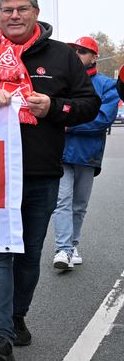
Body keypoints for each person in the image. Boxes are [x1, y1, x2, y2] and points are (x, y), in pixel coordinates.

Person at [0, 0, 100, 361]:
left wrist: (54, 106)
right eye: (6, 10)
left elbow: (89, 105)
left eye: (21, 9)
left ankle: (17, 318)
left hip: (42, 171)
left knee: (29, 254)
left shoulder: (62, 56)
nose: (13, 16)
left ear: (35, 11)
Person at [51, 37, 118, 270]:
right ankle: (63, 249)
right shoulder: (62, 81)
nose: (77, 54)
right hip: (59, 152)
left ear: (94, 56)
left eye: (82, 51)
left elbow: (103, 119)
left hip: (87, 154)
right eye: (74, 51)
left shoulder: (106, 85)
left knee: (78, 205)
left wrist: (68, 124)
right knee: (62, 201)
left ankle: (72, 245)